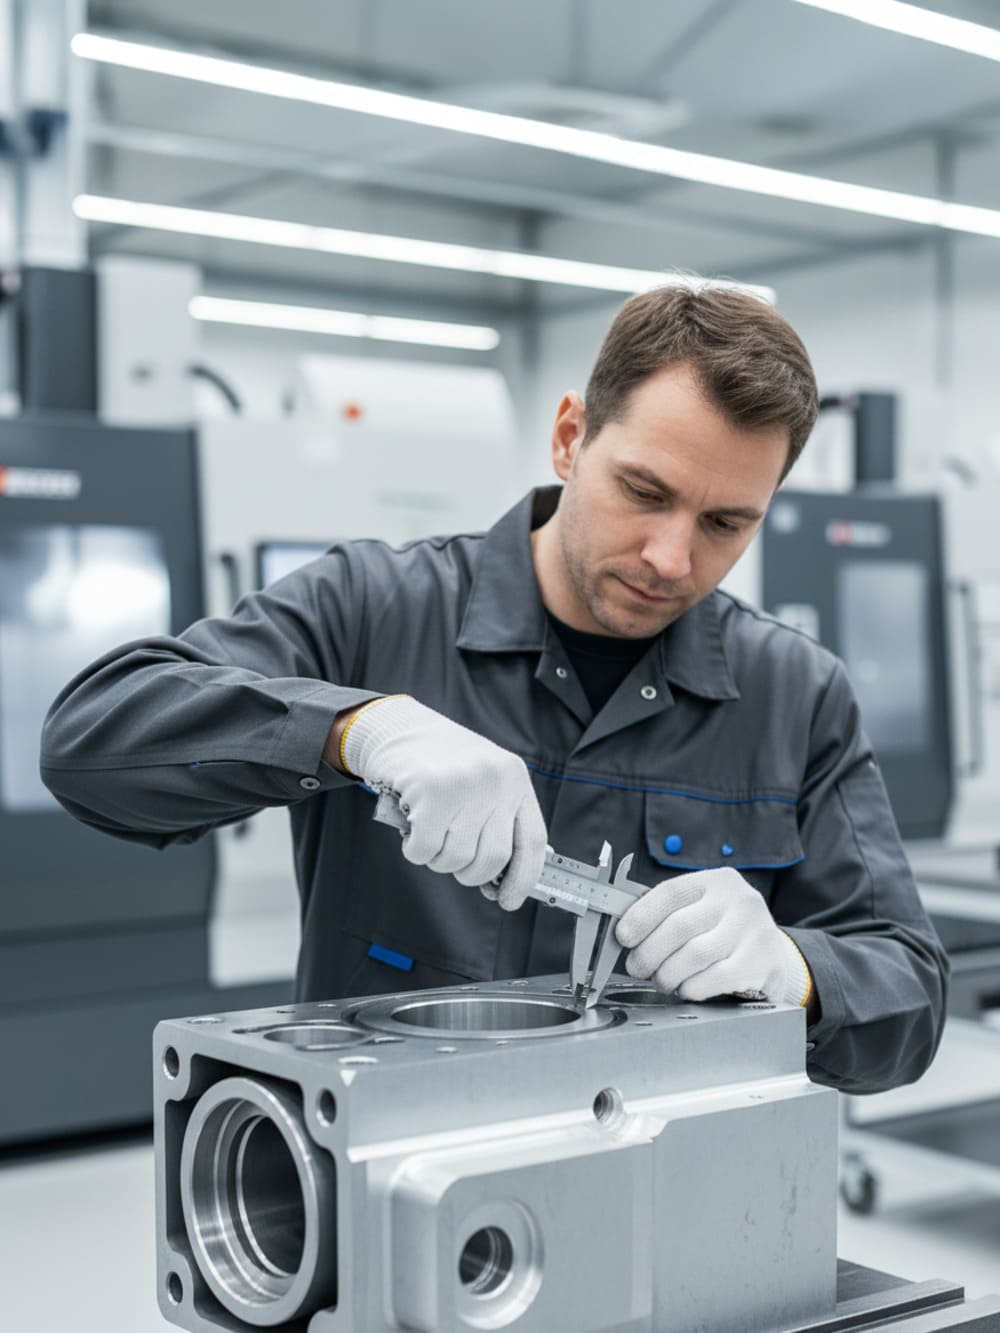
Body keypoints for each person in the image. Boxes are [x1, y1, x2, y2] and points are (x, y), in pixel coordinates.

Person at [40, 284, 947, 1095]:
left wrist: (797, 970)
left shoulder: (794, 692)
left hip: (662, 1203)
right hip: (387, 1176)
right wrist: (356, 727)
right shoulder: (373, 610)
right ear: (568, 437)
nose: (673, 557)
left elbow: (907, 994)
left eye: (724, 523)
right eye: (643, 490)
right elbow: (90, 740)